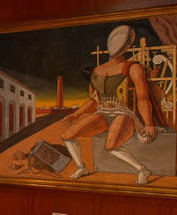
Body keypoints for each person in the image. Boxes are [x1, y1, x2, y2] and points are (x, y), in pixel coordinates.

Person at [60, 24, 169, 185]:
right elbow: (93, 100)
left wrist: (148, 123)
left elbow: (143, 98)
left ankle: (142, 170)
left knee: (111, 146)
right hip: (102, 113)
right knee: (67, 136)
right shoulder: (96, 70)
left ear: (128, 46)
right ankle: (81, 168)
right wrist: (76, 114)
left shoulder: (133, 67)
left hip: (124, 113)